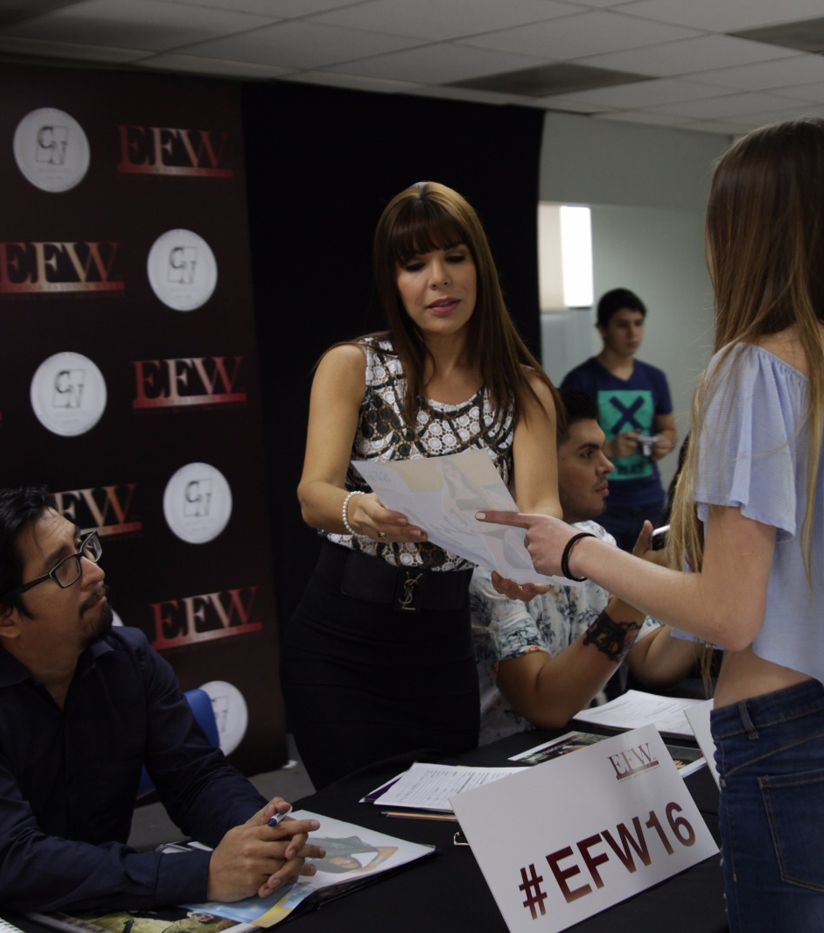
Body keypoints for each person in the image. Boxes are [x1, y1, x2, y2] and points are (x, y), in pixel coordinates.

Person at [482, 118, 824, 932]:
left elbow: (727, 613)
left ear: (748, 233)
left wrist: (578, 551)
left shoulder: (753, 368)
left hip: (799, 755)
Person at [0, 486, 322, 918]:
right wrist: (204, 873)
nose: (94, 571)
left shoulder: (129, 658)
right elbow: (13, 862)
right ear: (3, 618)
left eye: (82, 546)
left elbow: (195, 778)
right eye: (63, 568)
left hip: (96, 908)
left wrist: (260, 833)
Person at [284, 180, 562, 790]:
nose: (439, 279)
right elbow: (312, 494)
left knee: (442, 816)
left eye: (454, 257)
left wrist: (528, 564)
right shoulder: (353, 364)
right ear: (394, 280)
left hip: (443, 645)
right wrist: (361, 510)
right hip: (340, 644)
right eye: (415, 265)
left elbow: (542, 508)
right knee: (359, 812)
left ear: (480, 266)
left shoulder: (525, 389)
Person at [470, 389, 698, 744]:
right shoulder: (489, 565)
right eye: (587, 453)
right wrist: (633, 597)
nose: (607, 465)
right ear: (537, 464)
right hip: (505, 764)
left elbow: (654, 663)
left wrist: (705, 578)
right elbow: (544, 705)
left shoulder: (595, 538)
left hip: (589, 751)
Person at [560, 287, 676, 549]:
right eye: (622, 324)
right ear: (602, 329)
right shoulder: (581, 379)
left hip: (649, 498)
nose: (632, 333)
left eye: (638, 323)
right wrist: (610, 448)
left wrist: (663, 443)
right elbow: (564, 447)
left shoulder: (654, 378)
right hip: (603, 500)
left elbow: (669, 430)